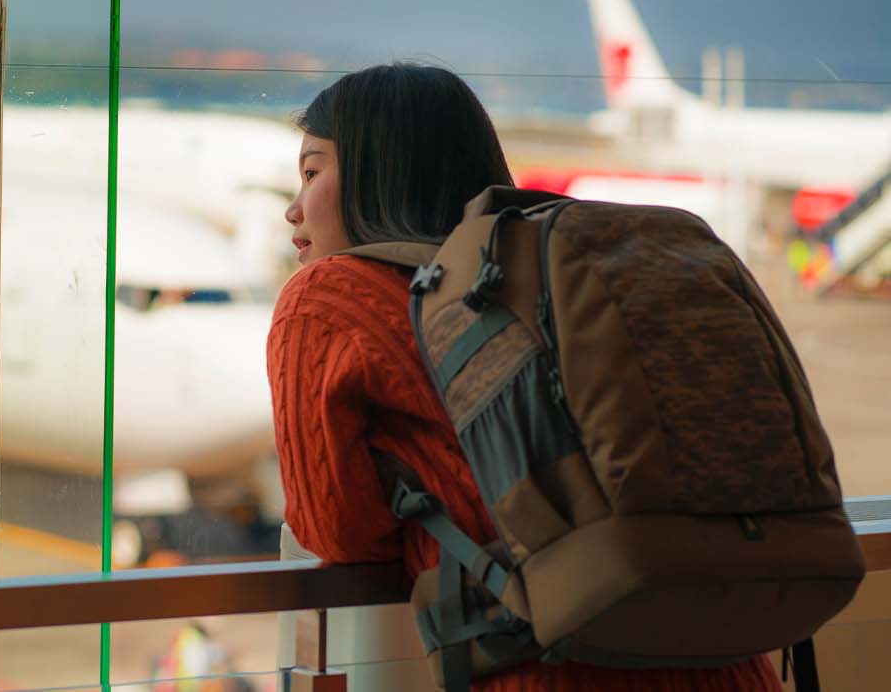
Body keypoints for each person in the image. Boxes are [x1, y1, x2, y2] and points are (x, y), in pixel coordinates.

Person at [268, 62, 780, 691]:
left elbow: (339, 532)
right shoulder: (558, 272)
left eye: (311, 173)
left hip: (553, 665)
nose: (293, 210)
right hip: (726, 654)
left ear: (379, 175)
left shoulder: (330, 297)